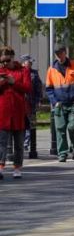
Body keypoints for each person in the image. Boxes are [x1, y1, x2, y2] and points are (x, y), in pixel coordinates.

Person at [46, 46, 74, 163]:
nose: (58, 56)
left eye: (60, 53)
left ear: (65, 53)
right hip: (59, 104)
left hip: (73, 103)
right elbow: (49, 89)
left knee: (72, 127)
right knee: (60, 129)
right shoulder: (52, 69)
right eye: (56, 54)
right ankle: (62, 154)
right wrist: (55, 102)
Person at [0, 47, 31, 179]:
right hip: (3, 113)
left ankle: (17, 167)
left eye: (7, 60)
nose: (5, 63)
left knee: (18, 143)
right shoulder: (1, 71)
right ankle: (0, 167)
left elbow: (28, 88)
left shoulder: (23, 70)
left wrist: (14, 83)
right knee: (1, 143)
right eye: (3, 61)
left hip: (19, 113)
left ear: (12, 58)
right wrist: (2, 82)